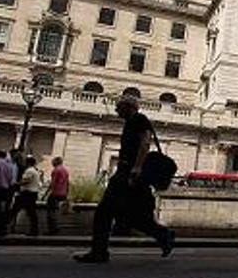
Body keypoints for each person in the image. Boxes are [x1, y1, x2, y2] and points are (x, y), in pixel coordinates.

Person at [74, 94, 174, 263]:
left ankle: (99, 252)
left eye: (119, 107)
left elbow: (145, 142)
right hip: (128, 172)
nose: (116, 110)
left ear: (129, 107)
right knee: (131, 216)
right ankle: (163, 234)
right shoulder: (131, 122)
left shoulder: (139, 119)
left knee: (104, 212)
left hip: (129, 173)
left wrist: (136, 167)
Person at [9, 156, 43, 236]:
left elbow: (26, 181)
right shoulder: (35, 171)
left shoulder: (29, 171)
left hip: (27, 194)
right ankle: (34, 230)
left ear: (28, 163)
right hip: (32, 193)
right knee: (31, 212)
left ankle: (4, 226)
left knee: (15, 210)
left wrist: (16, 183)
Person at [46, 156, 70, 235]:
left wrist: (46, 193)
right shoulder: (65, 171)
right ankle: (56, 227)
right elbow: (67, 183)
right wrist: (67, 193)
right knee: (55, 210)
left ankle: (53, 228)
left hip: (56, 193)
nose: (52, 163)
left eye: (53, 162)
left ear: (56, 162)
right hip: (63, 194)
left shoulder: (56, 170)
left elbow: (53, 183)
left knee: (50, 211)